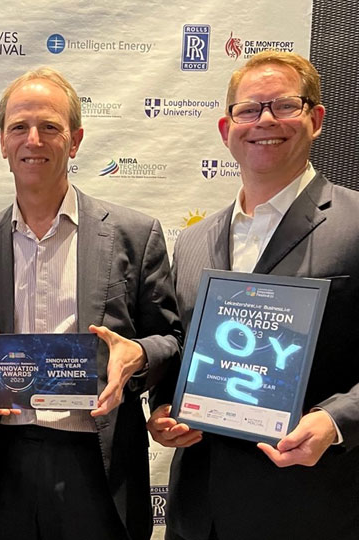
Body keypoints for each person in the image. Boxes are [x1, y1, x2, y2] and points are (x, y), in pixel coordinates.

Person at [0, 67, 182, 540]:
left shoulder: (136, 235)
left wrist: (137, 354)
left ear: (74, 141)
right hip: (3, 466)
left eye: (49, 126)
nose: (33, 139)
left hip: (99, 468)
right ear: (3, 142)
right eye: (19, 127)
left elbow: (172, 339)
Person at [147, 50, 359, 540]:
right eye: (249, 110)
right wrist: (163, 408)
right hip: (198, 514)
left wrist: (335, 420)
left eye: (284, 105)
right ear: (227, 130)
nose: (265, 121)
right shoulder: (194, 240)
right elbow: (179, 345)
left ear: (315, 119)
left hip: (312, 510)